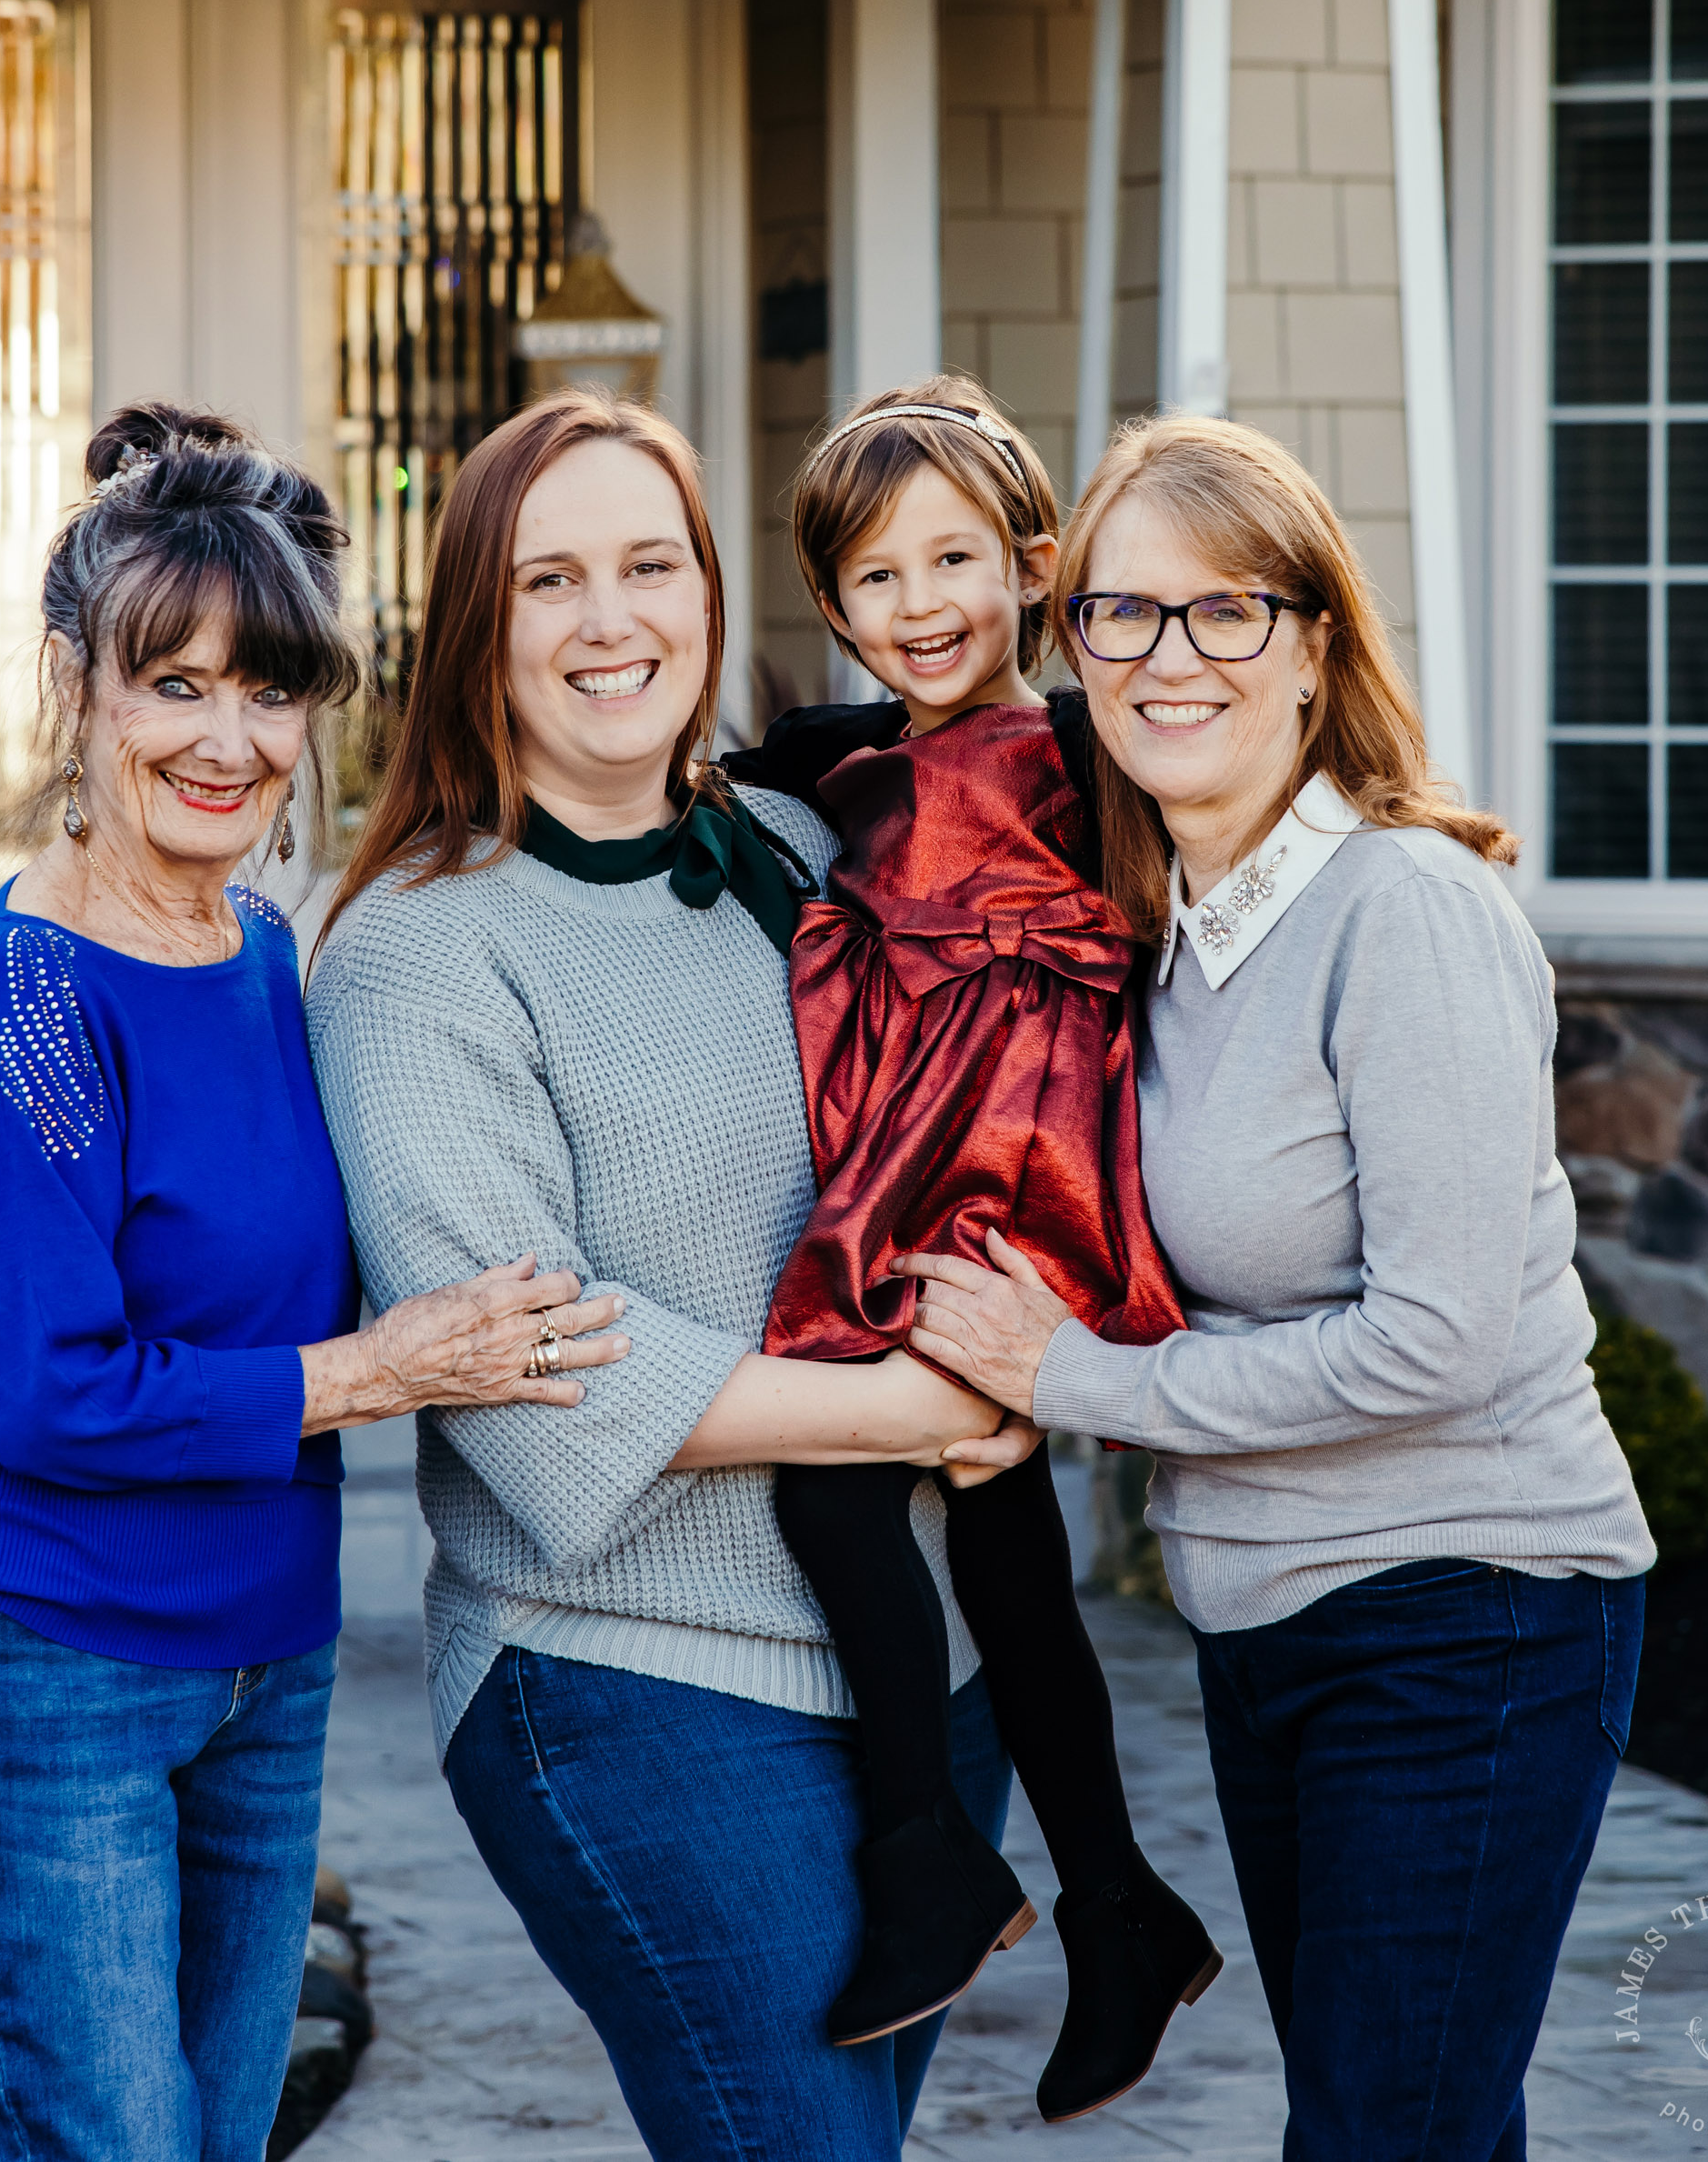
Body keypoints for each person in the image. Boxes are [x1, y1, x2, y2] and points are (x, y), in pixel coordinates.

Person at [0, 404, 626, 2162]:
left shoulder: (263, 948)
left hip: (260, 1653)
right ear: (74, 687)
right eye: (172, 684)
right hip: (26, 1645)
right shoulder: (27, 1006)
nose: (229, 739)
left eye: (269, 691)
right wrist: (378, 1371)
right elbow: (51, 1390)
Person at [904, 412, 1658, 2160]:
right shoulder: (1171, 940)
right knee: (1410, 2123)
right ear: (1070, 643)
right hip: (1267, 1623)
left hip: (1466, 1609)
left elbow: (1444, 1336)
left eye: (1225, 611)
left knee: (1383, 2132)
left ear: (1315, 647)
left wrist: (1074, 1380)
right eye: (1121, 613)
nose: (1171, 659)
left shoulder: (1401, 910)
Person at [305, 386, 1023, 2162]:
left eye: (648, 563)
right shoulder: (421, 949)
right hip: (633, 1677)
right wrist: (920, 1400)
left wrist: (1036, 1349)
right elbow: (542, 1375)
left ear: (712, 596)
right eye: (550, 578)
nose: (609, 617)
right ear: (478, 624)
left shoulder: (802, 855)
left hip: (929, 1678)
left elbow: (997, 1111)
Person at [720, 377, 1220, 2123]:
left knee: (835, 1489)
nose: (918, 604)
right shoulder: (846, 760)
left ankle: (931, 1850)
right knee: (1000, 1543)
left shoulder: (1091, 746)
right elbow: (744, 785)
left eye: (953, 559)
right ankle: (1114, 1903)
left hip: (1008, 1168)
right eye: (872, 578)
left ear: (1028, 564)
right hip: (924, 1160)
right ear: (834, 608)